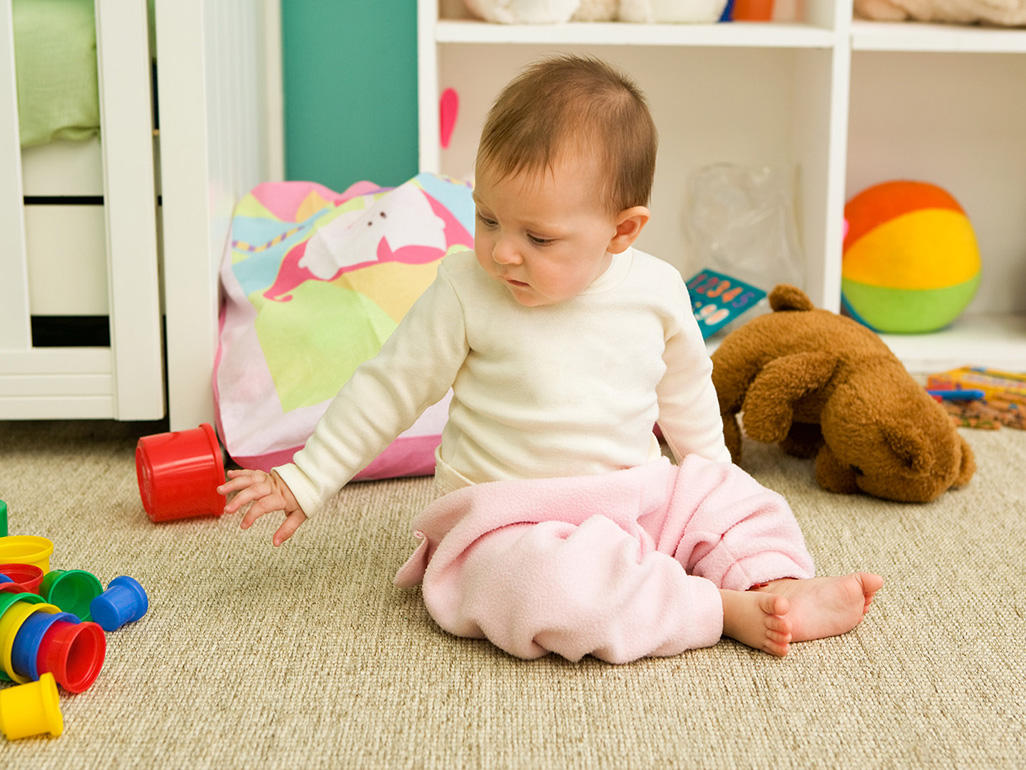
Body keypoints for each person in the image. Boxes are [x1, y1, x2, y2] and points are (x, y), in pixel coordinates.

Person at [219, 55, 882, 663]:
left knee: (742, 500)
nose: (504, 251)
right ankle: (716, 609)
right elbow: (386, 390)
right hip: (506, 519)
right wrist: (305, 479)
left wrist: (709, 481)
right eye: (487, 219)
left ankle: (775, 582)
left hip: (633, 494)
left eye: (537, 236)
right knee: (541, 589)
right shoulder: (463, 290)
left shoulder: (655, 291)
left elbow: (684, 393)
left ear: (622, 231)